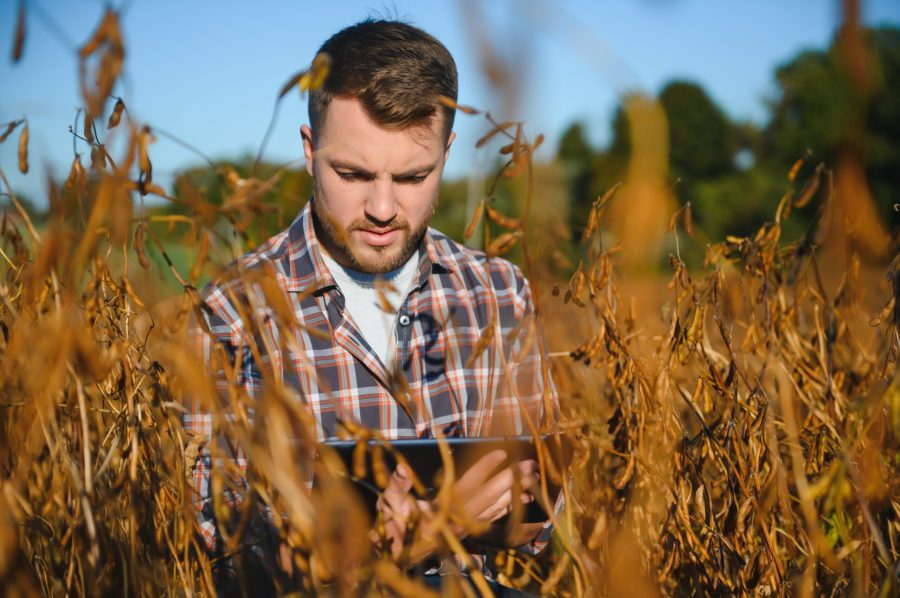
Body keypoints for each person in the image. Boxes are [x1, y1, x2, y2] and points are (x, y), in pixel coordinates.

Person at [183, 18, 558, 595]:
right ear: (309, 151)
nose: (383, 208)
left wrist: (511, 521)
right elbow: (233, 561)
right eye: (353, 173)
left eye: (413, 176)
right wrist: (439, 530)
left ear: (448, 153)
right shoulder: (233, 316)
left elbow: (540, 531)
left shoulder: (499, 293)